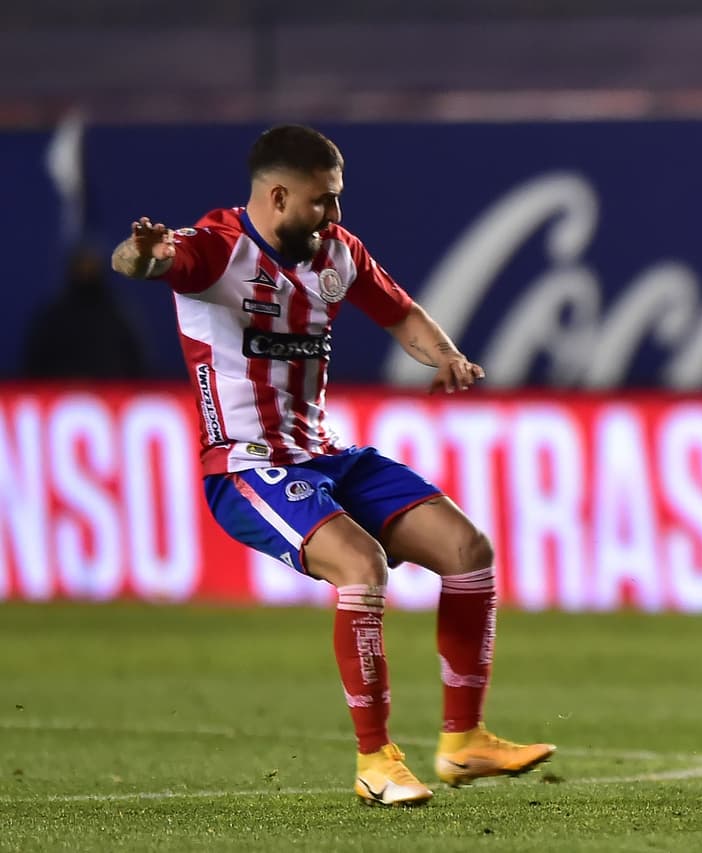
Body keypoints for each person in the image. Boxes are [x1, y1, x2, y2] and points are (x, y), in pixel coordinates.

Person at [110, 124, 554, 808]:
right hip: (245, 466)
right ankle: (376, 760)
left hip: (327, 453)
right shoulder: (215, 249)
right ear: (279, 196)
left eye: (339, 198)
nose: (336, 215)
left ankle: (464, 741)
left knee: (469, 550)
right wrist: (139, 253)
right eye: (323, 201)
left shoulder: (337, 253)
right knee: (360, 563)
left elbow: (400, 313)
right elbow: (147, 262)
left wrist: (444, 355)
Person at [22, 243, 147, 378]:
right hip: (63, 392)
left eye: (91, 266)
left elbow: (136, 361)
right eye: (82, 266)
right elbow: (36, 361)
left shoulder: (117, 317)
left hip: (109, 392)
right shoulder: (54, 317)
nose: (86, 270)